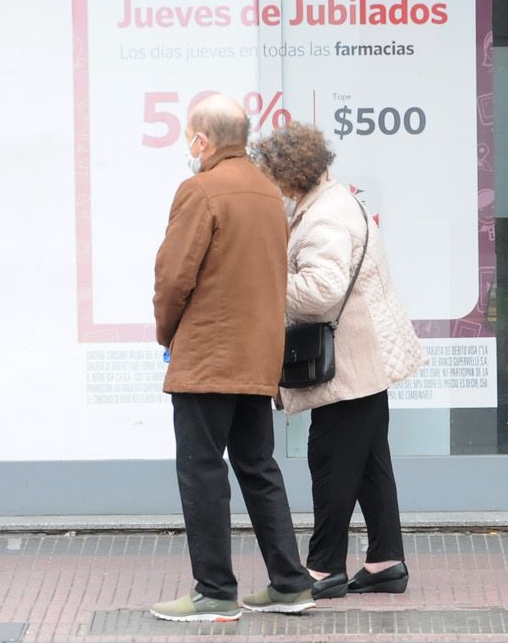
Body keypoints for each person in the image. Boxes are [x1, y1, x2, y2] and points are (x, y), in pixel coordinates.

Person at [150, 95, 313, 622]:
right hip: (256, 357)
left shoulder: (199, 191)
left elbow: (174, 278)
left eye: (189, 138)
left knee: (201, 470)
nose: (187, 148)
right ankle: (290, 582)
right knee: (258, 467)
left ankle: (215, 590)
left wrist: (166, 332)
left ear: (203, 140)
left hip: (208, 357)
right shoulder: (270, 194)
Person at [251, 123, 427, 597]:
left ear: (288, 175)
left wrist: (266, 281)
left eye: (271, 175)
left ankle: (324, 566)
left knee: (330, 459)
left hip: (351, 360)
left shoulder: (323, 219)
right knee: (369, 462)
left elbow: (322, 292)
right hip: (368, 354)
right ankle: (385, 560)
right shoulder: (336, 200)